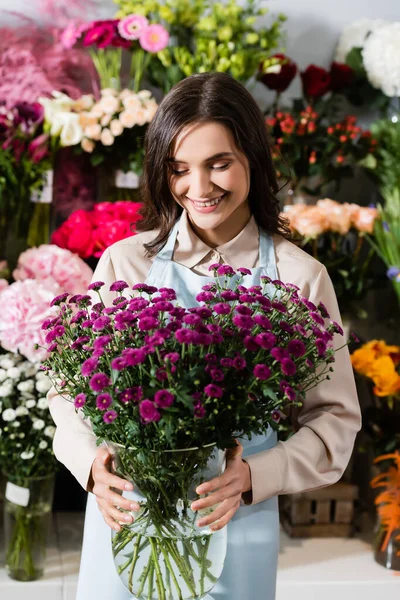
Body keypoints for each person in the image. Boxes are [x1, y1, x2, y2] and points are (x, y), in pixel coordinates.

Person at [48, 72, 361, 600]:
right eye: (179, 169)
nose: (200, 189)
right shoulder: (125, 262)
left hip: (233, 518)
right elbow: (68, 390)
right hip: (126, 513)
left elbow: (335, 419)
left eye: (219, 164)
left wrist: (256, 476)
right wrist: (90, 465)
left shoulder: (299, 277)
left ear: (252, 160)